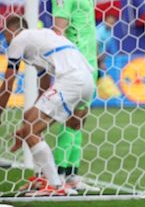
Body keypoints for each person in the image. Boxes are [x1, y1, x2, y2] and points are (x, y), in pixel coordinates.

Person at [0, 16, 94, 196]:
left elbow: (8, 84)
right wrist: (33, 113)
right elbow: (44, 85)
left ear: (11, 31)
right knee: (30, 120)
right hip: (86, 81)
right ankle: (41, 178)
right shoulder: (41, 40)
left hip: (71, 80)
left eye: (5, 35)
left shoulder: (18, 40)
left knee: (30, 131)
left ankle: (55, 186)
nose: (6, 40)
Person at [51, 0, 116, 191]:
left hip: (90, 65)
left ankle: (72, 175)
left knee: (80, 119)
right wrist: (65, 62)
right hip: (74, 65)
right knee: (70, 118)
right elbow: (59, 31)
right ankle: (57, 174)